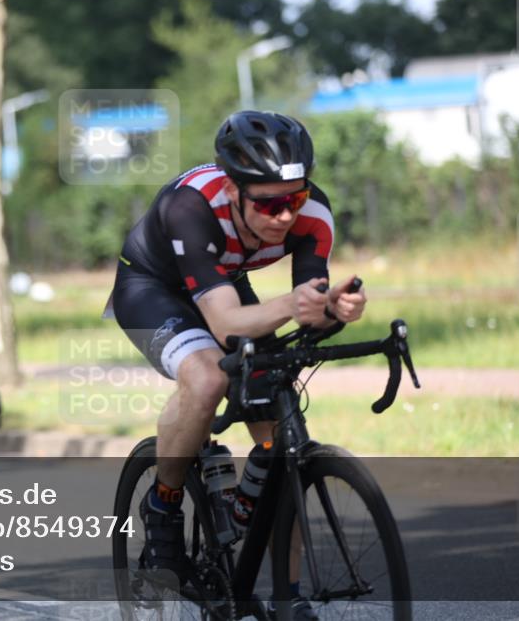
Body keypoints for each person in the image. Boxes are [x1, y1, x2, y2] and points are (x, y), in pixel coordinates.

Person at [111, 111, 367, 619]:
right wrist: (294, 305)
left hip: (223, 279)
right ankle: (163, 510)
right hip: (152, 287)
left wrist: (333, 309)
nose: (284, 217)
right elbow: (227, 325)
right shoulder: (192, 207)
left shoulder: (314, 213)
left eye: (293, 199)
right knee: (206, 376)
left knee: (283, 431)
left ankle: (287, 593)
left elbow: (307, 298)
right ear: (233, 189)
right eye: (269, 203)